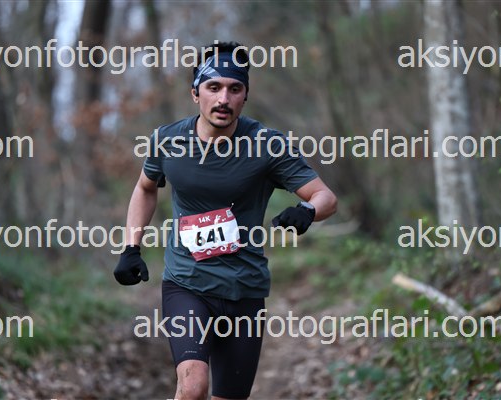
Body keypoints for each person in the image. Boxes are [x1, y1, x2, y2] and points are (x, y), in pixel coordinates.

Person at [114, 41, 337, 400]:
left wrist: (307, 211)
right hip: (187, 283)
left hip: (244, 289)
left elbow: (326, 197)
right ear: (195, 94)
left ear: (245, 96)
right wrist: (130, 247)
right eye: (213, 87)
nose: (223, 99)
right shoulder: (167, 141)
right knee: (193, 387)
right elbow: (145, 188)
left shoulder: (267, 145)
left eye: (234, 89)